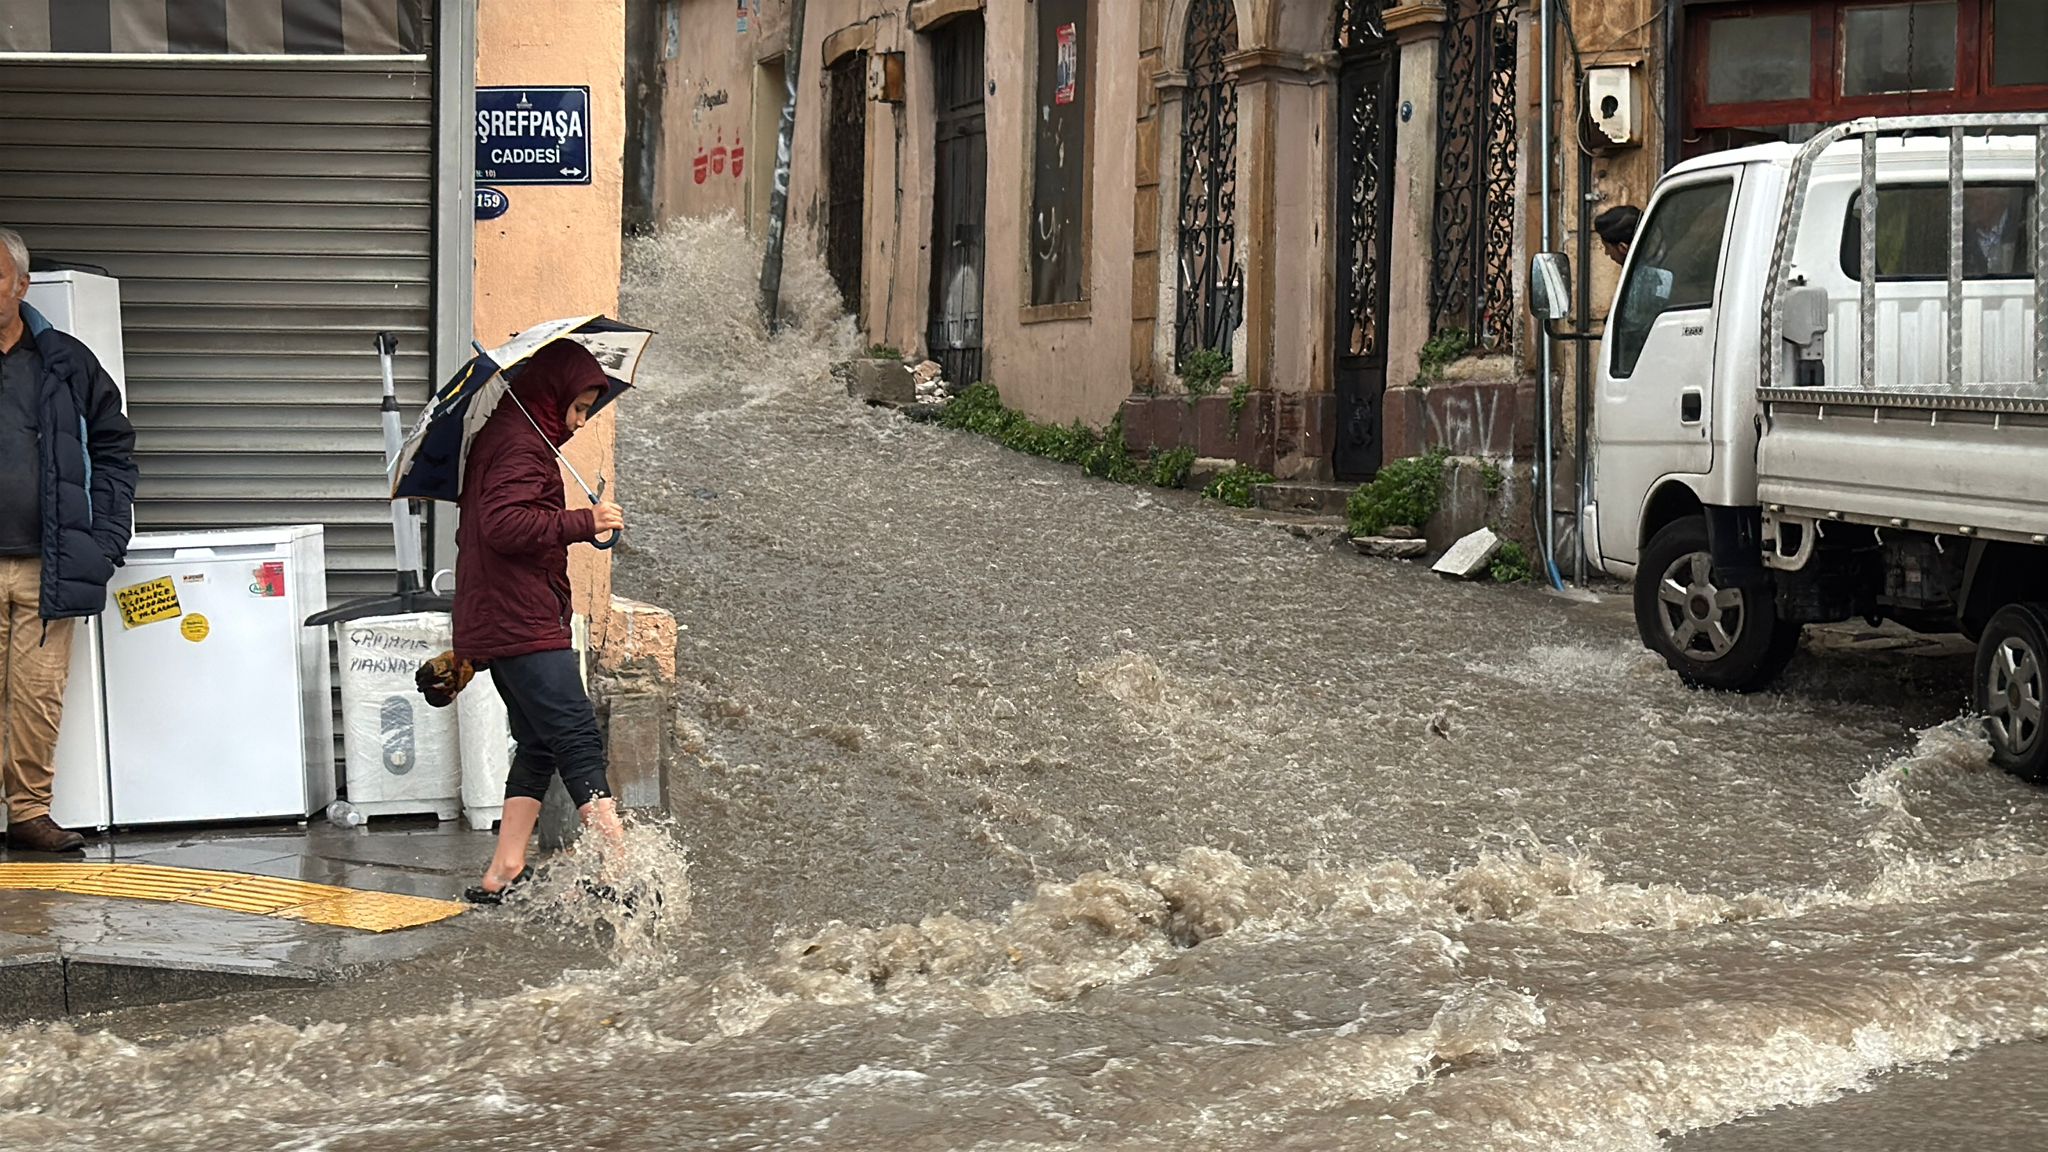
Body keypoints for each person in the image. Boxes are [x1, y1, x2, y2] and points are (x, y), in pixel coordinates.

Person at [455, 338, 628, 903]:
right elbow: (504, 528)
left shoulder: (511, 442)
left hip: (510, 617)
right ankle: (621, 867)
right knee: (576, 735)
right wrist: (583, 519)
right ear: (548, 395)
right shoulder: (518, 448)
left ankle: (504, 868)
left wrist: (578, 521)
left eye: (586, 410)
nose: (579, 422)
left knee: (537, 742)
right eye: (578, 408)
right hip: (522, 619)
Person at [0, 228, 137, 854]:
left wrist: (103, 539)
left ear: (22, 286)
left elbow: (114, 449)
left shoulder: (67, 360)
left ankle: (28, 815)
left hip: (49, 564)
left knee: (37, 698)